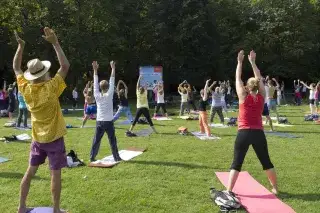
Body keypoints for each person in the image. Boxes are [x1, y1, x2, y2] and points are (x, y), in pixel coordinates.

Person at [14, 28, 70, 213]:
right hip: (54, 138)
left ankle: (21, 207)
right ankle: (55, 209)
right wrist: (55, 43)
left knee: (30, 172)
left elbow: (16, 68)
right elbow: (64, 66)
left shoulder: (26, 89)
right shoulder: (51, 88)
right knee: (55, 174)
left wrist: (20, 47)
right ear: (44, 72)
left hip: (37, 139)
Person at [226, 50, 277, 196]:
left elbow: (237, 78)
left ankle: (229, 190)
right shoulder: (262, 96)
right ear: (257, 86)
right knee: (266, 162)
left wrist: (240, 62)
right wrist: (253, 62)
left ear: (247, 87)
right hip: (258, 133)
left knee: (236, 163)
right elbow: (259, 79)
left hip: (243, 133)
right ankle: (275, 188)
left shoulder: (243, 96)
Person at [90, 61, 122, 162]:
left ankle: (92, 157)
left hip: (99, 121)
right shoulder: (109, 94)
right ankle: (116, 157)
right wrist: (113, 68)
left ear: (101, 87)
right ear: (108, 87)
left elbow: (95, 83)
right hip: (108, 121)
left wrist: (95, 70)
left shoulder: (97, 95)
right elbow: (112, 80)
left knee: (96, 140)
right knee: (112, 140)